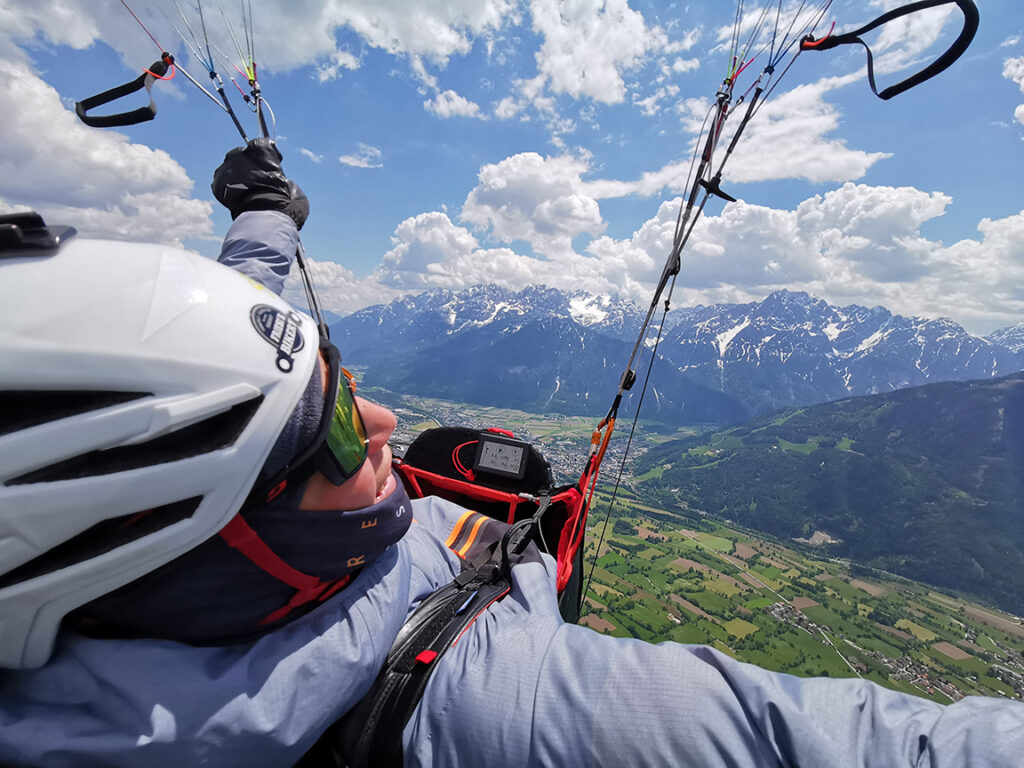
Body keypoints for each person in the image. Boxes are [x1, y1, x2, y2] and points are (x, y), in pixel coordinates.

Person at [1, 140, 1022, 767]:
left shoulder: (96, 579)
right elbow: (837, 742)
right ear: (225, 528)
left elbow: (194, 373)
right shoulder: (484, 702)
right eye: (343, 427)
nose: (386, 419)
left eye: (345, 381)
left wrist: (262, 223)